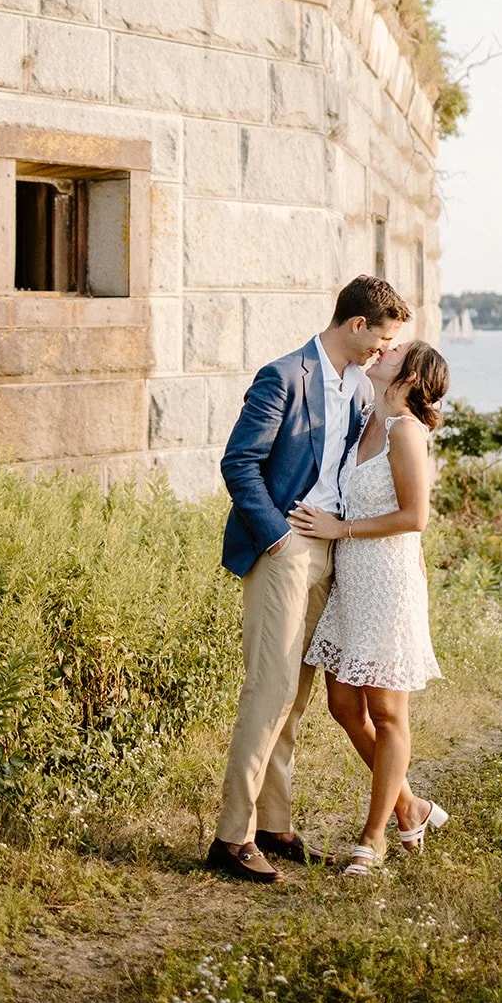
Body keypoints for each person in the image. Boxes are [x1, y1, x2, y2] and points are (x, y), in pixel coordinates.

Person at [206, 276, 411, 884]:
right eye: (383, 336)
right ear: (356, 326)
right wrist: (277, 537)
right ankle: (231, 837)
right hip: (285, 548)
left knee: (293, 699)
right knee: (268, 690)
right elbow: (238, 462)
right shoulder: (284, 375)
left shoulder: (358, 384)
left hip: (332, 550)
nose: (385, 349)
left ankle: (275, 826)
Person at [292, 339, 450, 875]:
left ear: (409, 376)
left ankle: (374, 836)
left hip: (388, 581)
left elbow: (415, 517)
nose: (382, 351)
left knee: (386, 711)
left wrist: (343, 529)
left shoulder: (407, 431)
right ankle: (412, 807)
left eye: (395, 351)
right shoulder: (365, 419)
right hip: (352, 579)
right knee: (342, 705)